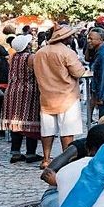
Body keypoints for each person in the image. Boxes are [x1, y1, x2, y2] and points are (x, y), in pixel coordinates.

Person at [32, 24, 87, 169]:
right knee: (67, 131)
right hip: (67, 96)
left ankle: (45, 159)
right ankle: (66, 159)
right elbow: (78, 72)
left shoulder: (40, 52)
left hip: (46, 96)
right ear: (66, 38)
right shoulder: (67, 53)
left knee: (47, 130)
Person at [2, 35, 43, 164]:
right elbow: (38, 73)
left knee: (16, 122)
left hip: (12, 90)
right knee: (30, 121)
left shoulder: (14, 57)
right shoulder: (30, 57)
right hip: (28, 91)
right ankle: (30, 153)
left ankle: (15, 152)